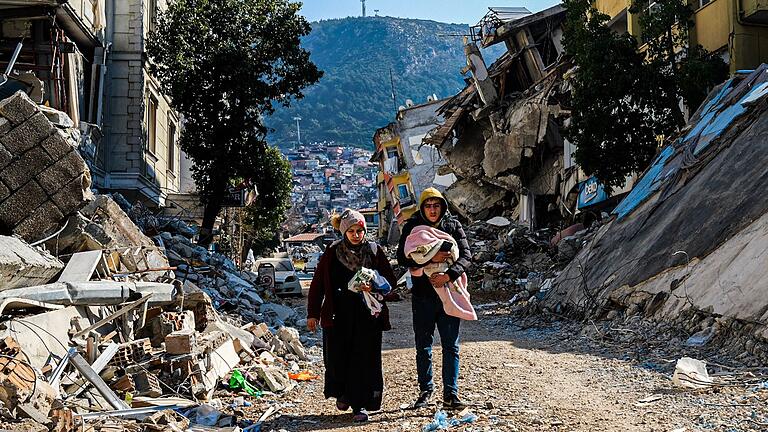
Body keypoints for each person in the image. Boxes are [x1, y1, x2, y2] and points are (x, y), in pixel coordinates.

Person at [307, 209, 397, 422]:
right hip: (339, 315)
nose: (356, 235)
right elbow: (318, 284)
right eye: (352, 231)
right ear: (344, 232)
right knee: (338, 358)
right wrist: (313, 313)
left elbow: (390, 281)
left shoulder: (374, 251)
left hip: (367, 315)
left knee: (364, 359)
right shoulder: (332, 252)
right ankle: (343, 394)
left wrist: (374, 285)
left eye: (360, 230)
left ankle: (361, 404)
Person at [397, 187, 471, 410]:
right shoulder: (412, 226)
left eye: (436, 205)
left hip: (448, 292)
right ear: (422, 208)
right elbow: (402, 257)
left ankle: (451, 394)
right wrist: (430, 257)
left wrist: (448, 274)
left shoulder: (452, 225)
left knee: (451, 346)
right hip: (423, 296)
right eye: (428, 206)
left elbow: (466, 256)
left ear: (442, 207)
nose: (432, 210)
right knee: (423, 346)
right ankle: (425, 390)